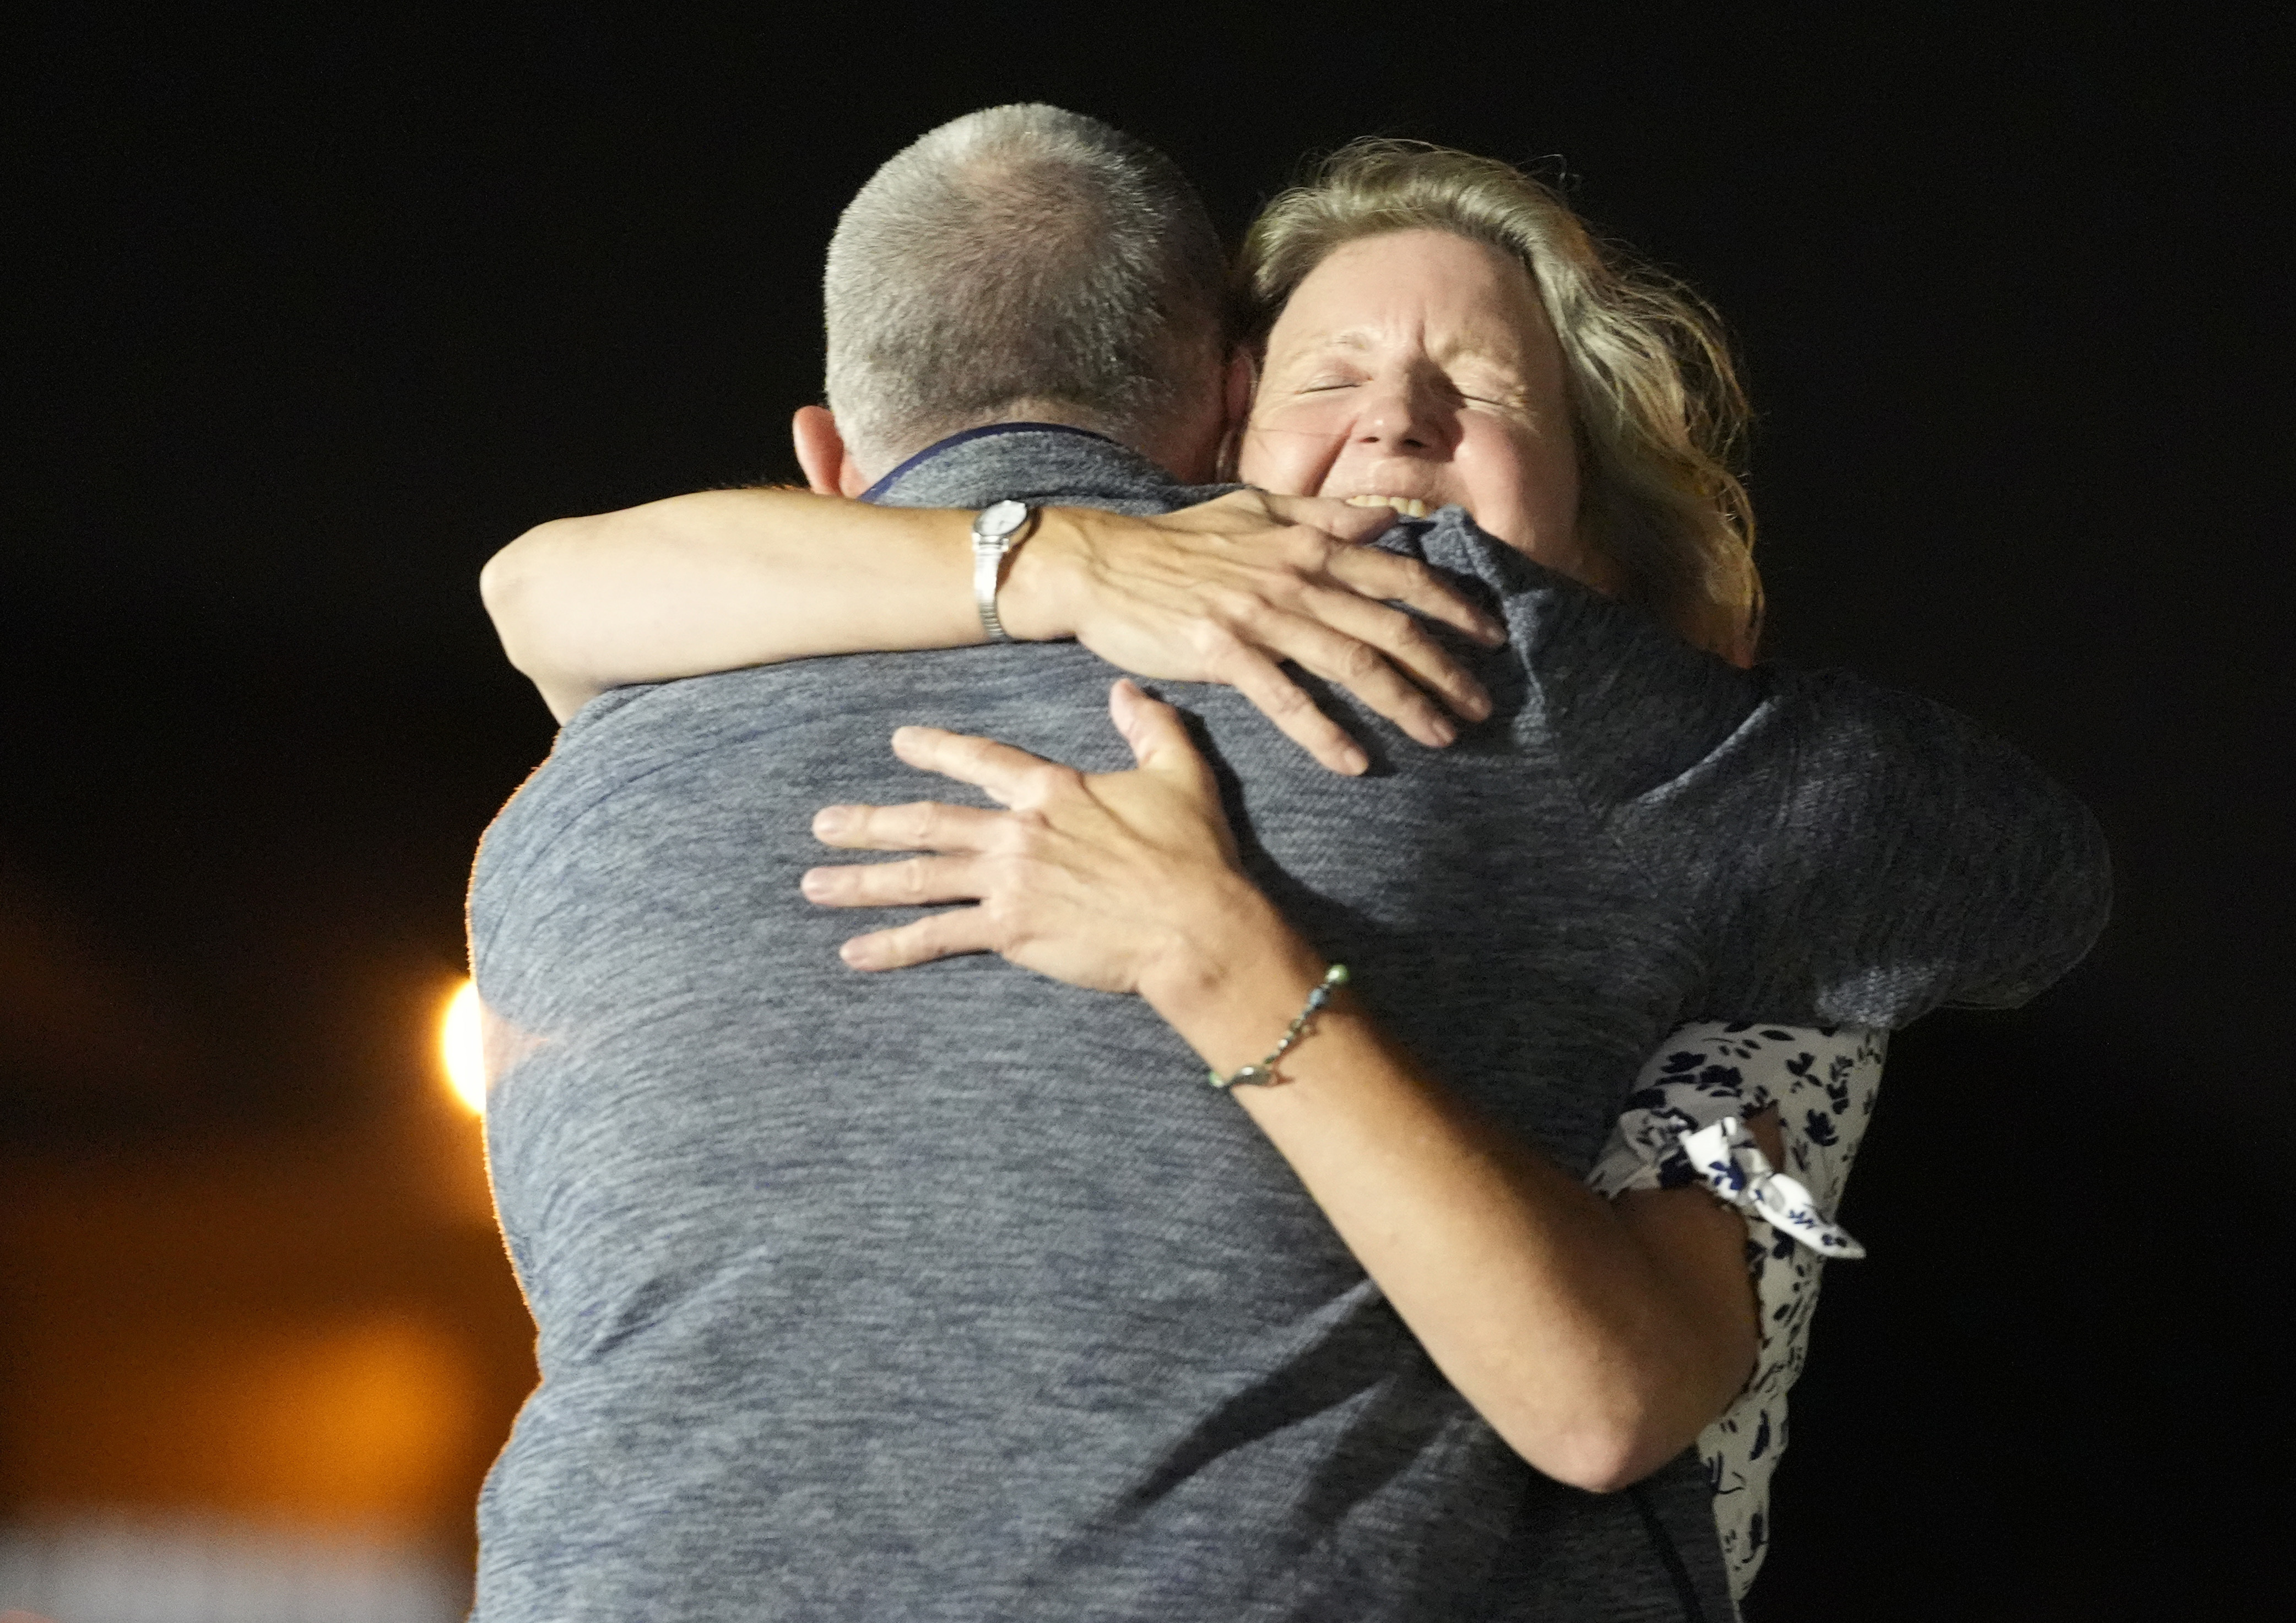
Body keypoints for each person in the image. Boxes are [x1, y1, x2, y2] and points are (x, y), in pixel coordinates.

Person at [468, 107, 2105, 1621]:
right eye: (1329, 380)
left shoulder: (590, 765)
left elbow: (534, 593)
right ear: (1217, 428)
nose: (1398, 428)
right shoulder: (1488, 672)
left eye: (1492, 389)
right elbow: (2032, 879)